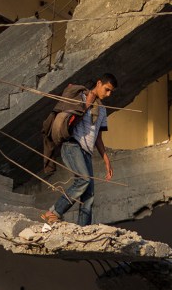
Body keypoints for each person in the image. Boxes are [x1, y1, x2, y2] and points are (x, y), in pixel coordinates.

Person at [41, 73, 116, 226]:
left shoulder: (102, 110)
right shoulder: (80, 97)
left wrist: (106, 160)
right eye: (107, 89)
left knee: (89, 195)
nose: (108, 94)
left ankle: (84, 229)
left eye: (111, 92)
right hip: (72, 145)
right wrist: (86, 106)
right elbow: (69, 124)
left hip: (87, 152)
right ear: (99, 83)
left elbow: (98, 138)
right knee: (83, 180)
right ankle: (53, 212)